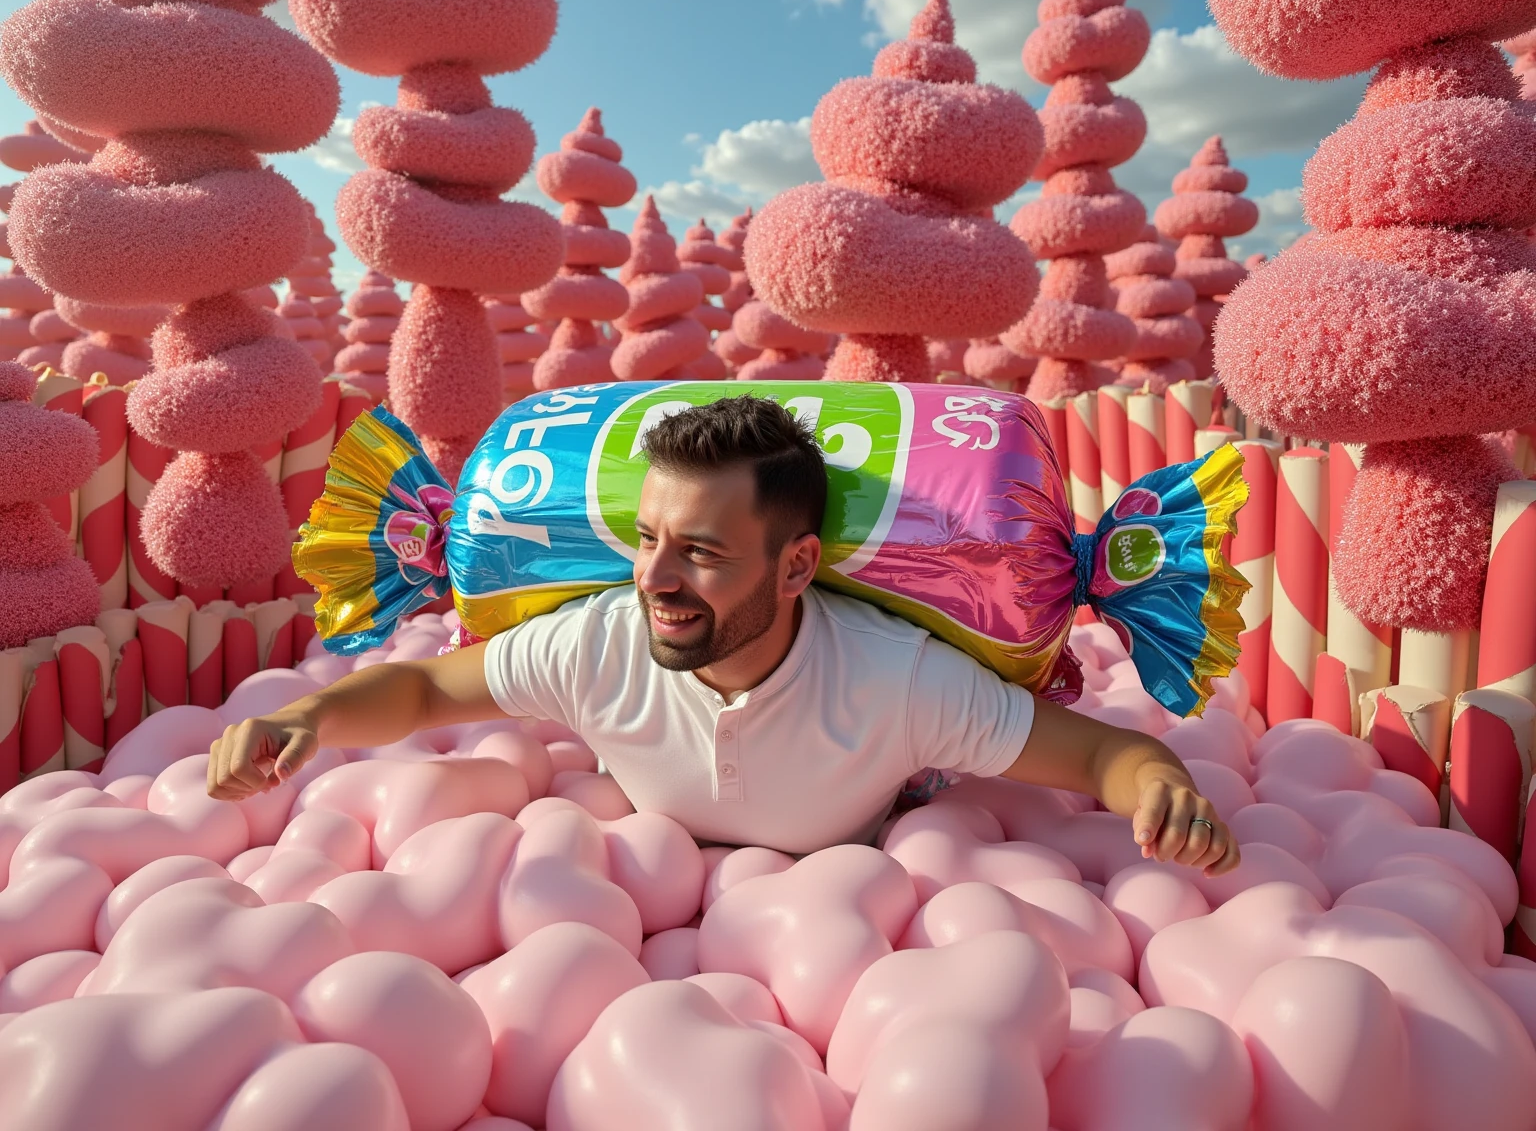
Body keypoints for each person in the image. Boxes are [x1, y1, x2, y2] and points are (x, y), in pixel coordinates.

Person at [208, 396, 1239, 874]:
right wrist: (309, 715)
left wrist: (1163, 795)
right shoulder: (599, 637)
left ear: (797, 567)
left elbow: (1107, 752)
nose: (653, 578)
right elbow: (431, 692)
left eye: (700, 553)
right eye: (648, 539)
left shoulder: (897, 680)